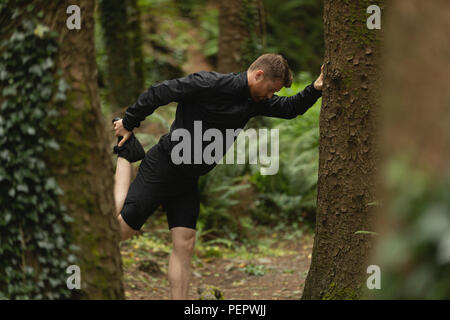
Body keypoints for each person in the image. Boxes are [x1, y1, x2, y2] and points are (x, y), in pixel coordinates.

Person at [112, 53, 324, 299]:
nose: (270, 95)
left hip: (188, 180)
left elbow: (289, 108)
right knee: (123, 231)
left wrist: (316, 88)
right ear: (258, 75)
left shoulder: (253, 100)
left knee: (185, 243)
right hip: (163, 168)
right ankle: (125, 152)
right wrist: (129, 122)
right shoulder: (208, 83)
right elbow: (160, 92)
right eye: (271, 89)